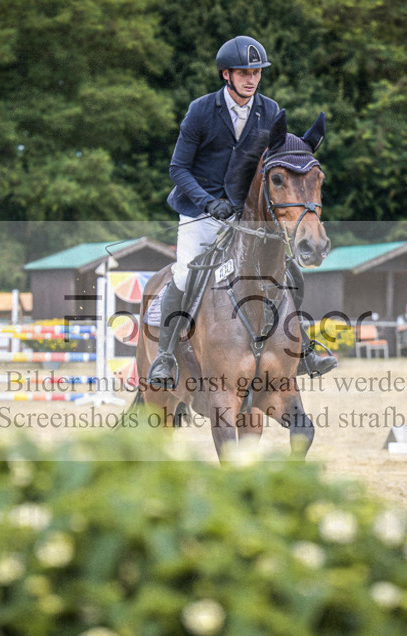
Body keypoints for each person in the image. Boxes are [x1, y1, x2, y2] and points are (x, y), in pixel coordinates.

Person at [147, 35, 336, 387]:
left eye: (256, 72)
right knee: (185, 274)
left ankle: (303, 348)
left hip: (244, 214)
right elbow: (178, 169)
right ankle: (165, 356)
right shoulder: (201, 110)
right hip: (200, 212)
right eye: (244, 73)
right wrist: (207, 202)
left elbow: (277, 161)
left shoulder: (269, 110)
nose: (252, 79)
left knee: (290, 272)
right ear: (226, 75)